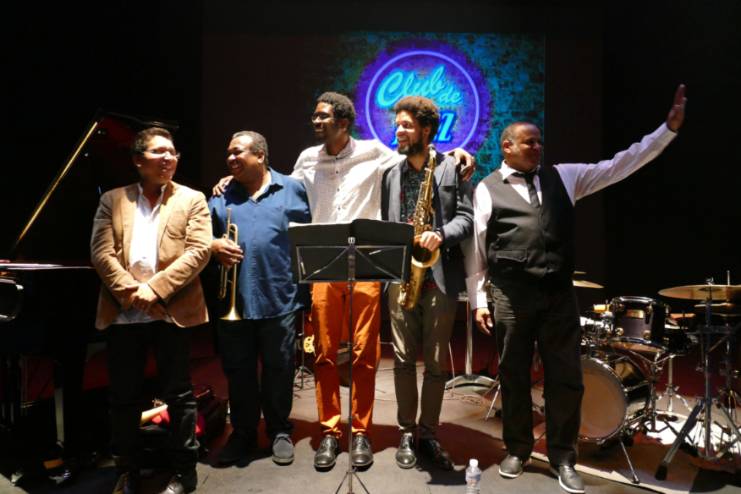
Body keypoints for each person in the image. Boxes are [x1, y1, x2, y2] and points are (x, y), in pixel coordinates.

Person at [214, 91, 474, 470]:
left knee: (365, 354)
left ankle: (362, 431)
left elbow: (423, 158)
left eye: (322, 116)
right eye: (314, 116)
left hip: (368, 264)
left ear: (343, 121)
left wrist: (456, 153)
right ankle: (330, 431)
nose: (315, 122)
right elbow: (274, 183)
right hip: (324, 266)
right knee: (323, 353)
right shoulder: (306, 158)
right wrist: (234, 178)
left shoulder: (375, 152)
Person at [466, 84, 686, 494]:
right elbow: (477, 249)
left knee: (565, 378)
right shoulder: (486, 188)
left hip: (557, 295)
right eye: (529, 142)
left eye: (539, 141)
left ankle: (563, 456)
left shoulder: (564, 177)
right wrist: (479, 299)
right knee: (513, 375)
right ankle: (517, 449)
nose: (538, 147)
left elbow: (619, 165)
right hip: (511, 296)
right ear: (507, 147)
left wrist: (666, 132)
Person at [91, 127, 212, 494]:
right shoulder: (112, 199)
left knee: (179, 396)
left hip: (170, 312)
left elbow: (199, 251)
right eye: (159, 152)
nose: (169, 158)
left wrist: (154, 290)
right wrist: (134, 293)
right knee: (123, 398)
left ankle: (184, 472)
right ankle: (127, 470)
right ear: (138, 160)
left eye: (172, 152)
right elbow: (101, 253)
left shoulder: (192, 198)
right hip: (123, 314)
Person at [380, 96, 472, 470]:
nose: (398, 131)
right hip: (401, 276)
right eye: (397, 125)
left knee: (435, 364)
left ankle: (429, 433)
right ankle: (406, 430)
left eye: (406, 125)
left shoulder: (452, 167)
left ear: (427, 129)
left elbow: (466, 218)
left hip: (439, 276)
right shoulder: (391, 174)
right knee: (402, 360)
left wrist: (441, 234)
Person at [209, 131, 311, 466]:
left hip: (279, 296)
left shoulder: (293, 189)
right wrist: (213, 245)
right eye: (228, 153)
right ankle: (243, 433)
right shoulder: (221, 194)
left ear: (261, 155)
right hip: (235, 300)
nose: (230, 158)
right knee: (238, 371)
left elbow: (310, 238)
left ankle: (279, 430)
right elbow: (198, 237)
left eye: (237, 152)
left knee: (279, 368)